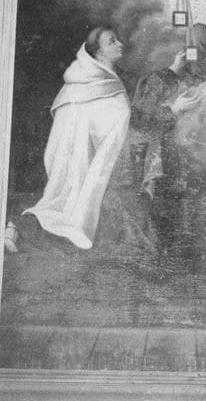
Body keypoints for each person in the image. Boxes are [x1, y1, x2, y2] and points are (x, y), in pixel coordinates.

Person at [20, 26, 130, 249]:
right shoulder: (82, 83)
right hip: (84, 164)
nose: (120, 44)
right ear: (98, 53)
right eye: (112, 42)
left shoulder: (114, 79)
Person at [130, 51, 199, 252]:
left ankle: (168, 249)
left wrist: (175, 69)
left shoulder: (184, 80)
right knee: (161, 209)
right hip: (157, 159)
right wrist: (174, 110)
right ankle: (161, 251)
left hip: (175, 158)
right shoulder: (152, 86)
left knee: (176, 206)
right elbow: (143, 120)